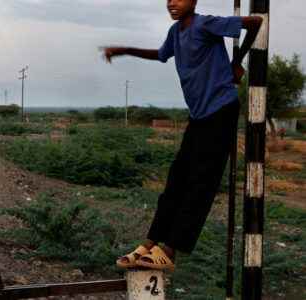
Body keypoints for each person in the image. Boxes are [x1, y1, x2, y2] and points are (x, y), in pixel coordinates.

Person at [103, 0, 263, 271]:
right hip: (199, 115)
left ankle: (169, 251)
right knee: (177, 178)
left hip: (221, 108)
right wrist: (126, 50)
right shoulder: (175, 32)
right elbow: (161, 54)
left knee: (200, 182)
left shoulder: (206, 23)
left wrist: (236, 62)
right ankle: (150, 243)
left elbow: (255, 23)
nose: (172, 3)